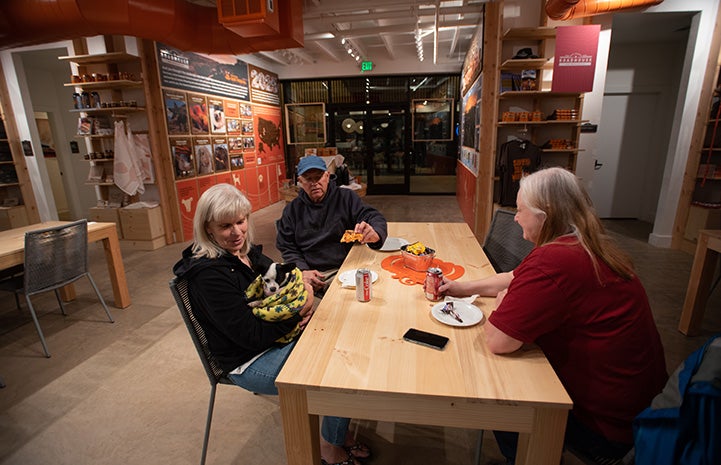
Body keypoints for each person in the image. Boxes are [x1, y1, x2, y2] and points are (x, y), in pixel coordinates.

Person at [440, 167, 668, 464]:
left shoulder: (554, 260)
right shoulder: (586, 244)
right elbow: (513, 277)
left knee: (499, 393)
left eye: (521, 210)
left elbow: (498, 340)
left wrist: (504, 302)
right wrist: (460, 288)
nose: (516, 217)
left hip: (606, 427)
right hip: (643, 408)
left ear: (544, 215)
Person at [173, 184, 370, 465]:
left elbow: (285, 275)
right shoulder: (209, 276)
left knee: (343, 341)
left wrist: (301, 278)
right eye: (225, 226)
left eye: (241, 221)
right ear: (208, 229)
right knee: (336, 370)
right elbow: (251, 336)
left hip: (272, 336)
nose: (237, 232)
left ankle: (337, 431)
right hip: (247, 360)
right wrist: (296, 311)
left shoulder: (244, 252)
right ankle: (329, 446)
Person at [276, 155, 388, 294]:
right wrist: (303, 270)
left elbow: (372, 216)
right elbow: (286, 246)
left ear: (327, 176)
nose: (314, 183)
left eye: (318, 177)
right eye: (308, 179)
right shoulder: (292, 210)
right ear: (300, 181)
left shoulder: (346, 197)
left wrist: (375, 232)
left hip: (346, 266)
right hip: (310, 270)